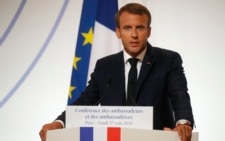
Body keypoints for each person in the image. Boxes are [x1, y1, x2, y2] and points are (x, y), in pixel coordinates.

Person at [39, 3, 194, 141]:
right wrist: (59, 123)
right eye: (127, 28)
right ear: (118, 32)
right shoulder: (105, 66)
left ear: (149, 31)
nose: (134, 35)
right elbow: (86, 101)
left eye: (139, 27)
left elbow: (179, 94)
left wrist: (183, 122)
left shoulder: (168, 59)